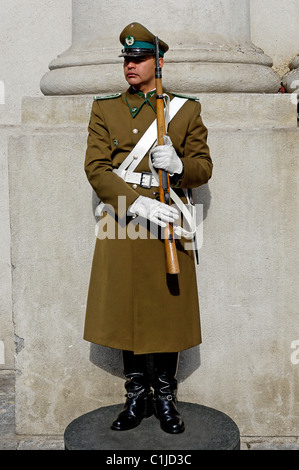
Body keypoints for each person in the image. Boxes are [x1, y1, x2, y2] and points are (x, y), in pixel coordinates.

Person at [83, 22, 213, 434]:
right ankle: (136, 397)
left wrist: (179, 167)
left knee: (167, 313)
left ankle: (166, 397)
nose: (130, 66)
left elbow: (203, 167)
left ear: (159, 62)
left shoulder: (185, 109)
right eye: (127, 59)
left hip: (167, 218)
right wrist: (134, 201)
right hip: (125, 220)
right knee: (126, 311)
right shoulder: (104, 108)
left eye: (138, 59)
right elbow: (96, 168)